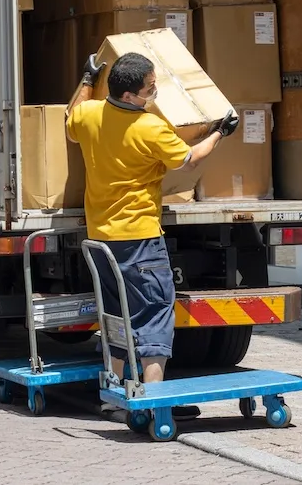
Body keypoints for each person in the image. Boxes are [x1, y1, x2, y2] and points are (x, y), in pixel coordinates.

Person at [66, 52, 238, 419]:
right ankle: (154, 402)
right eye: (150, 87)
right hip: (139, 239)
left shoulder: (91, 114)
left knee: (114, 314)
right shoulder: (150, 128)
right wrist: (220, 133)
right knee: (155, 313)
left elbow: (70, 116)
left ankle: (112, 398)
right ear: (130, 95)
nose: (154, 92)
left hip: (100, 238)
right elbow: (189, 159)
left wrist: (85, 78)